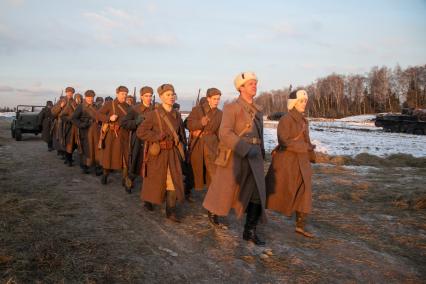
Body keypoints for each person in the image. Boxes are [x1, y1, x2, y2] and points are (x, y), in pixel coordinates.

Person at [203, 72, 267, 245]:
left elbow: (260, 134)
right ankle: (213, 210)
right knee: (226, 189)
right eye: (250, 84)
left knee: (257, 194)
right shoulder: (232, 108)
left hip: (255, 157)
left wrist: (261, 151)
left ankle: (249, 231)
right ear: (241, 88)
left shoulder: (259, 111)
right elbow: (224, 133)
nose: (254, 86)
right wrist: (245, 149)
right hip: (236, 155)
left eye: (255, 83)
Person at [265, 89, 315, 238]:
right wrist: (303, 147)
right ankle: (256, 212)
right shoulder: (286, 119)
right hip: (287, 162)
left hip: (302, 161)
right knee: (278, 190)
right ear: (293, 103)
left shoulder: (303, 120)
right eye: (301, 101)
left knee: (304, 191)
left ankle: (300, 226)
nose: (304, 104)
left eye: (305, 101)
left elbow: (306, 140)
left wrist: (310, 152)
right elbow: (283, 140)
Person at [136, 84, 187, 222]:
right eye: (168, 95)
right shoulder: (153, 114)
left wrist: (183, 149)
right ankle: (149, 200)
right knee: (155, 180)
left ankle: (170, 211)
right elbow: (140, 132)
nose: (171, 97)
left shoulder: (177, 115)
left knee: (173, 182)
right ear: (161, 97)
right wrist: (157, 136)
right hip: (158, 154)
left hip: (173, 153)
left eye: (172, 94)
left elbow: (181, 134)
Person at [185, 88, 222, 210]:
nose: (217, 101)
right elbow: (188, 124)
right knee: (194, 171)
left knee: (213, 174)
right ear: (208, 99)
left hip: (212, 146)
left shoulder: (220, 114)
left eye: (218, 99)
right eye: (214, 99)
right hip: (198, 145)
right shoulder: (197, 110)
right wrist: (200, 122)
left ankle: (213, 202)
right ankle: (187, 190)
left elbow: (220, 133)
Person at [120, 86, 154, 193]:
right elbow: (124, 123)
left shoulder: (155, 109)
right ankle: (129, 181)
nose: (148, 98)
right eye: (146, 96)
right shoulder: (135, 109)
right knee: (135, 162)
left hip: (151, 140)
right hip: (138, 140)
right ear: (141, 97)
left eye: (150, 96)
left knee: (150, 164)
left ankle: (148, 190)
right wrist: (136, 122)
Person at [96, 86, 131, 186]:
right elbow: (98, 115)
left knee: (125, 159)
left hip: (124, 135)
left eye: (125, 94)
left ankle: (124, 179)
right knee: (109, 158)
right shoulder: (109, 104)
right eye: (122, 94)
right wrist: (108, 118)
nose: (124, 96)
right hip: (111, 136)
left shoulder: (128, 107)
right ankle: (105, 175)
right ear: (117, 94)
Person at [71, 90, 102, 175]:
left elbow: (101, 117)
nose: (90, 99)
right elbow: (73, 118)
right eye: (89, 97)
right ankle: (84, 166)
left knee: (96, 149)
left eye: (92, 97)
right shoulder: (81, 107)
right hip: (85, 131)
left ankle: (96, 167)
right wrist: (82, 124)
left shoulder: (96, 106)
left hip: (96, 131)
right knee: (85, 149)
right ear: (85, 97)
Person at [51, 87, 79, 166]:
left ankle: (68, 157)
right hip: (61, 124)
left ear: (73, 93)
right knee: (64, 141)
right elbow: (53, 112)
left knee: (71, 142)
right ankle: (66, 157)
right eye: (68, 92)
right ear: (66, 93)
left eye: (71, 92)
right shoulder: (61, 101)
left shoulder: (74, 102)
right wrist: (60, 107)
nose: (70, 94)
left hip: (72, 124)